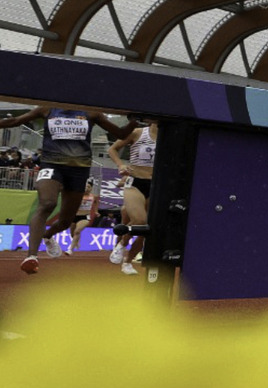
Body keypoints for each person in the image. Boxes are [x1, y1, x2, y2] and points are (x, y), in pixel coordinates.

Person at [0, 107, 138, 274]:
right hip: (52, 165)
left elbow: (121, 134)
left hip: (78, 170)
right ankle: (31, 257)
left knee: (66, 221)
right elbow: (15, 121)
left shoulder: (92, 113)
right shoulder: (46, 109)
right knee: (47, 203)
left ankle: (48, 236)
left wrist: (134, 120)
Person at [107, 120, 157, 276]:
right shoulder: (138, 133)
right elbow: (113, 149)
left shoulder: (171, 139)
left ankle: (128, 262)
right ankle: (122, 244)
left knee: (147, 230)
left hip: (156, 185)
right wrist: (120, 165)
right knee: (140, 220)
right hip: (135, 181)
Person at [65, 177, 99, 255]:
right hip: (74, 216)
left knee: (77, 231)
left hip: (85, 217)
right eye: (85, 187)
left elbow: (96, 202)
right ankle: (76, 241)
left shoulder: (94, 196)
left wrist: (96, 211)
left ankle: (70, 249)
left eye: (89, 187)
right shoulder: (77, 196)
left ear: (91, 188)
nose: (87, 188)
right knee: (72, 234)